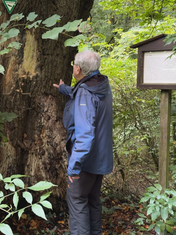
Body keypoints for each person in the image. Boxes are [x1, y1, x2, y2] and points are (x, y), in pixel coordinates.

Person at [53, 50, 113, 235]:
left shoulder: (85, 94)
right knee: (93, 202)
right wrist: (66, 90)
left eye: (73, 64)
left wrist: (74, 167)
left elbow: (85, 134)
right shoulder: (102, 85)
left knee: (78, 203)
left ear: (77, 68)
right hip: (100, 159)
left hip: (85, 162)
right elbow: (86, 96)